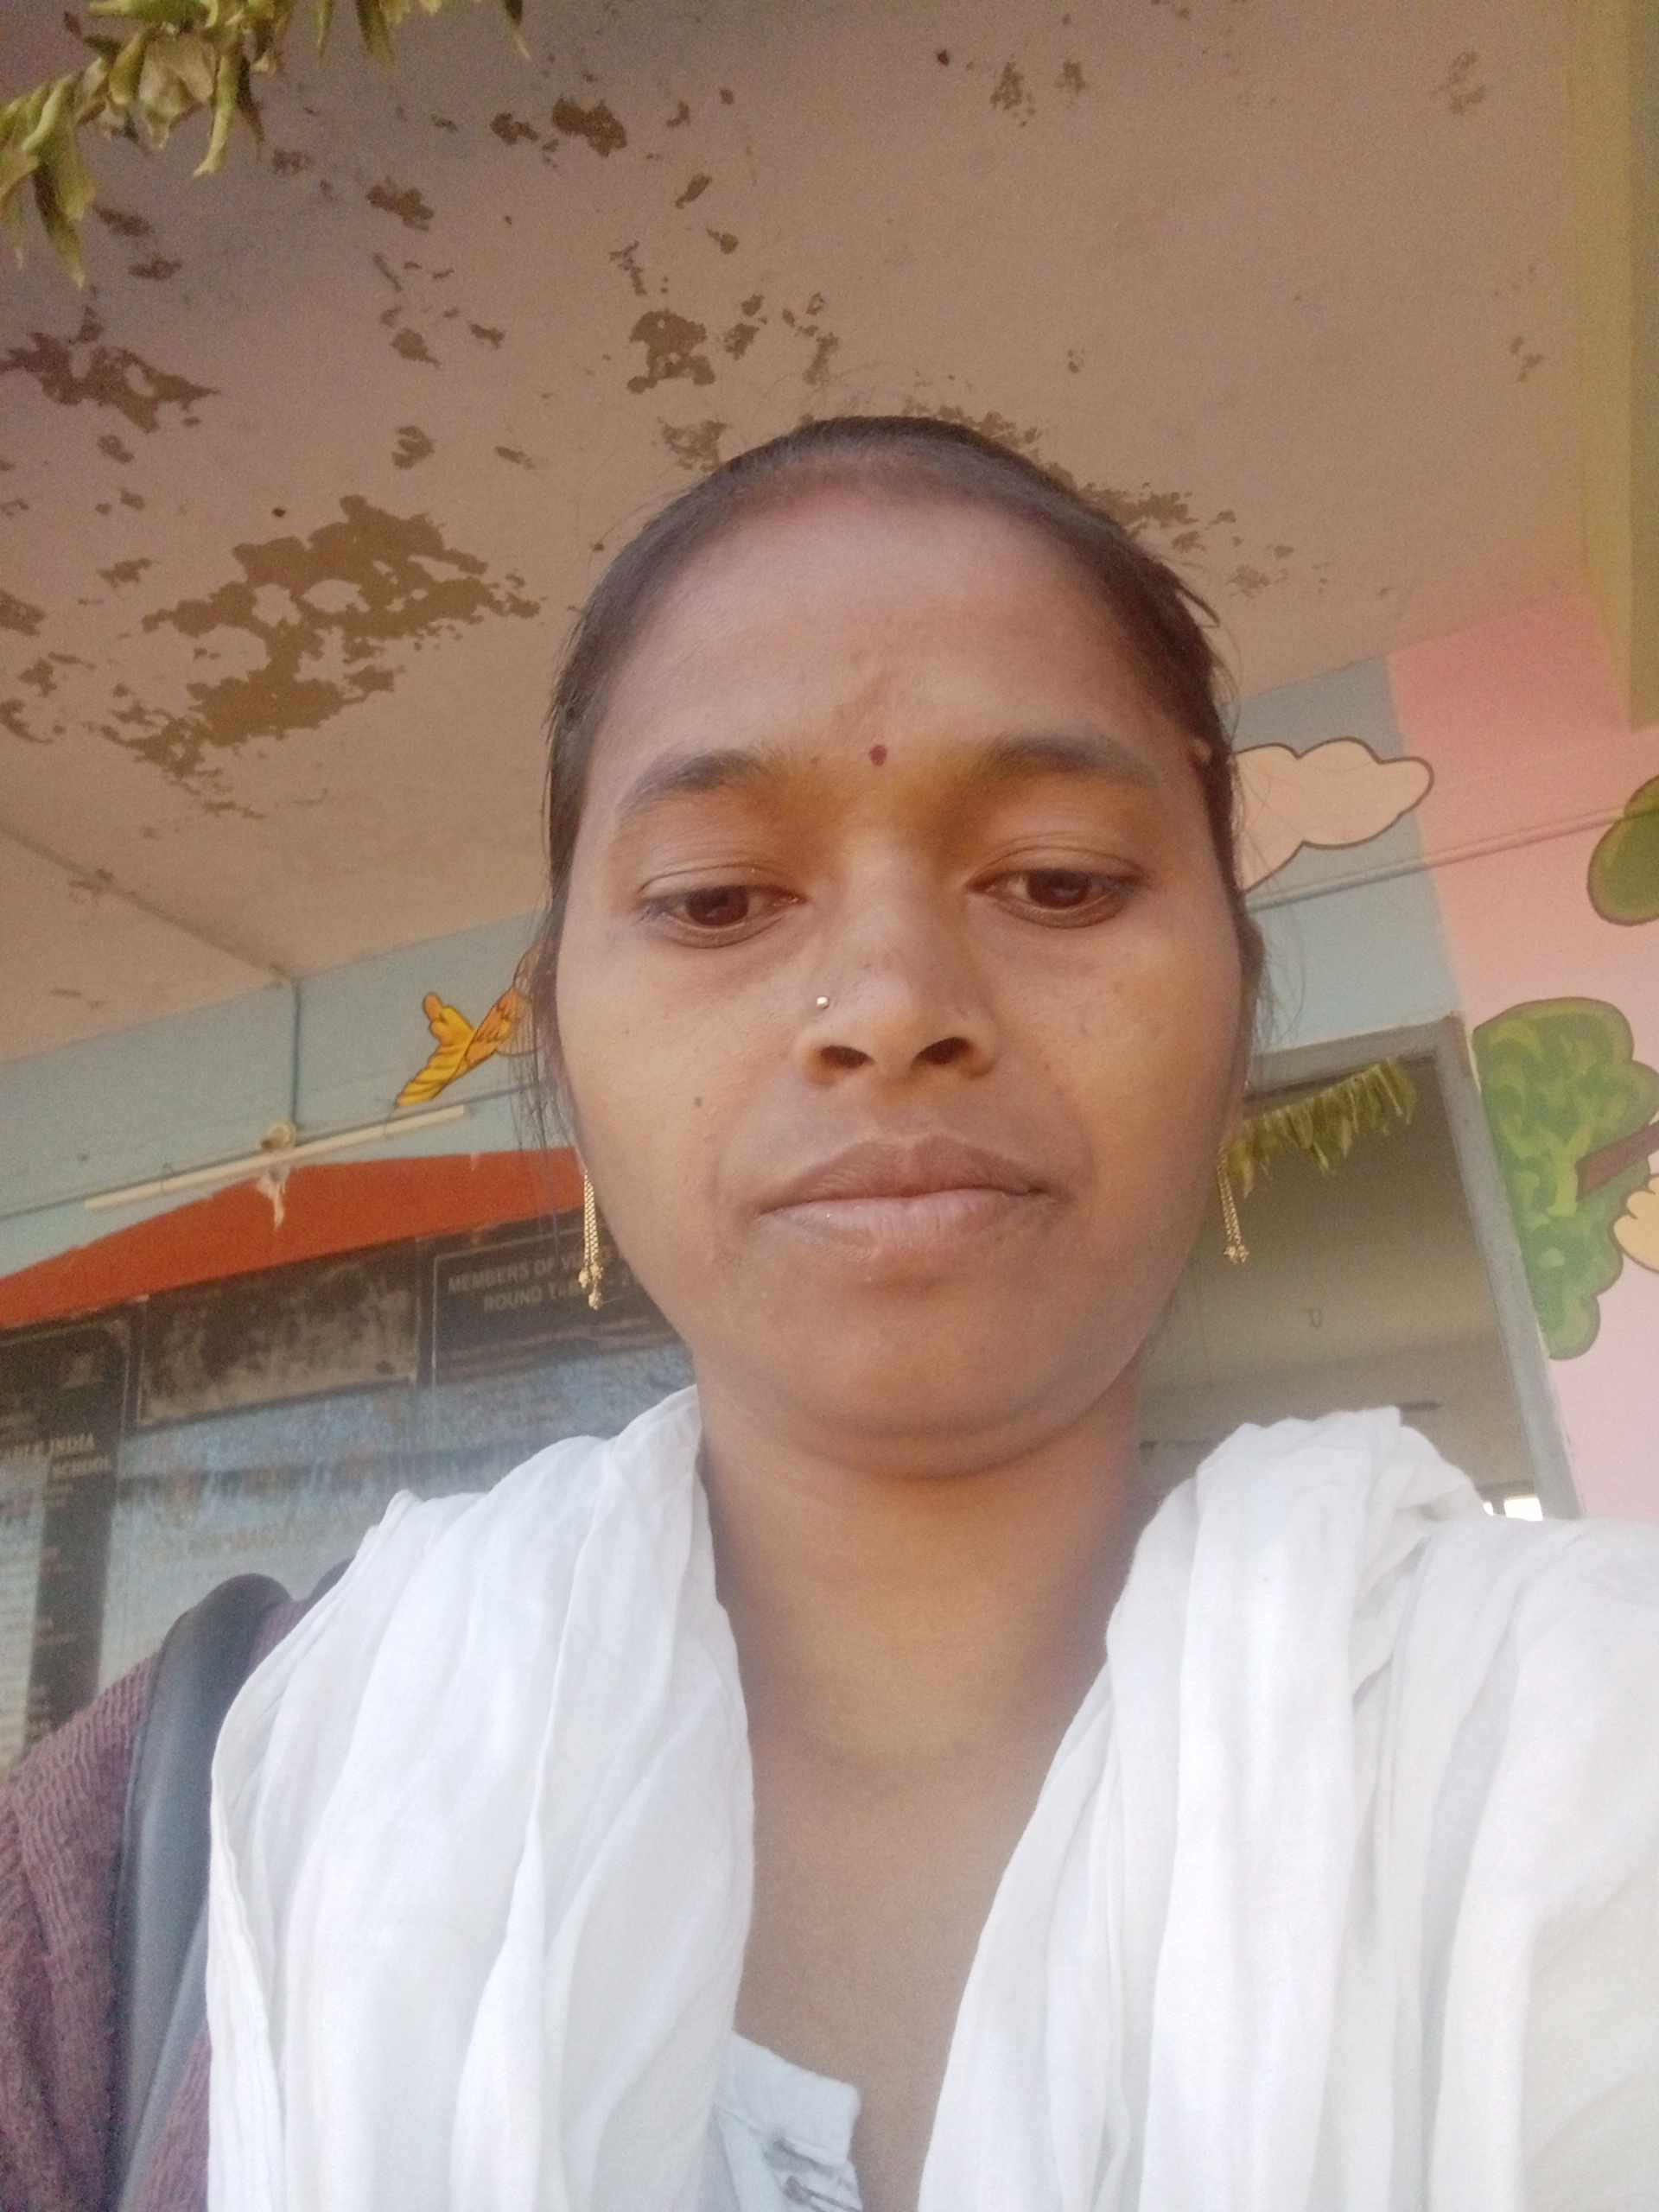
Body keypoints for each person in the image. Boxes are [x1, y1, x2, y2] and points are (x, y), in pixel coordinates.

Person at [3, 416, 1656, 2212]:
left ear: (1235, 1006)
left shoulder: (1591, 1738)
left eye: (1059, 879)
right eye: (717, 897)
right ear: (563, 1049)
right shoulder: (159, 1845)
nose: (888, 1003)